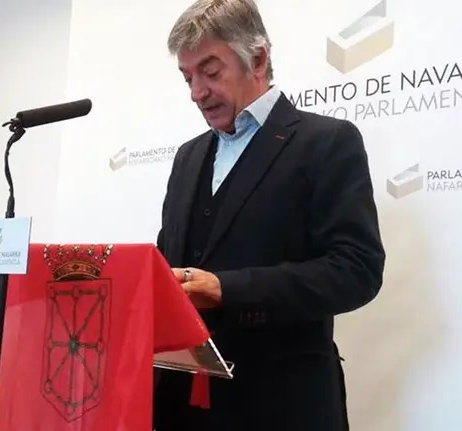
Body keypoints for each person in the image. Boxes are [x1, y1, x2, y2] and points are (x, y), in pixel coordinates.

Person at [153, 0, 386, 430]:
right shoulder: (187, 158)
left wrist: (226, 289)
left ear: (257, 58)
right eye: (187, 77)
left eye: (210, 70)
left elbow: (357, 271)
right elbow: (167, 265)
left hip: (282, 405)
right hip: (181, 408)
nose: (196, 92)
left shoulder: (327, 143)